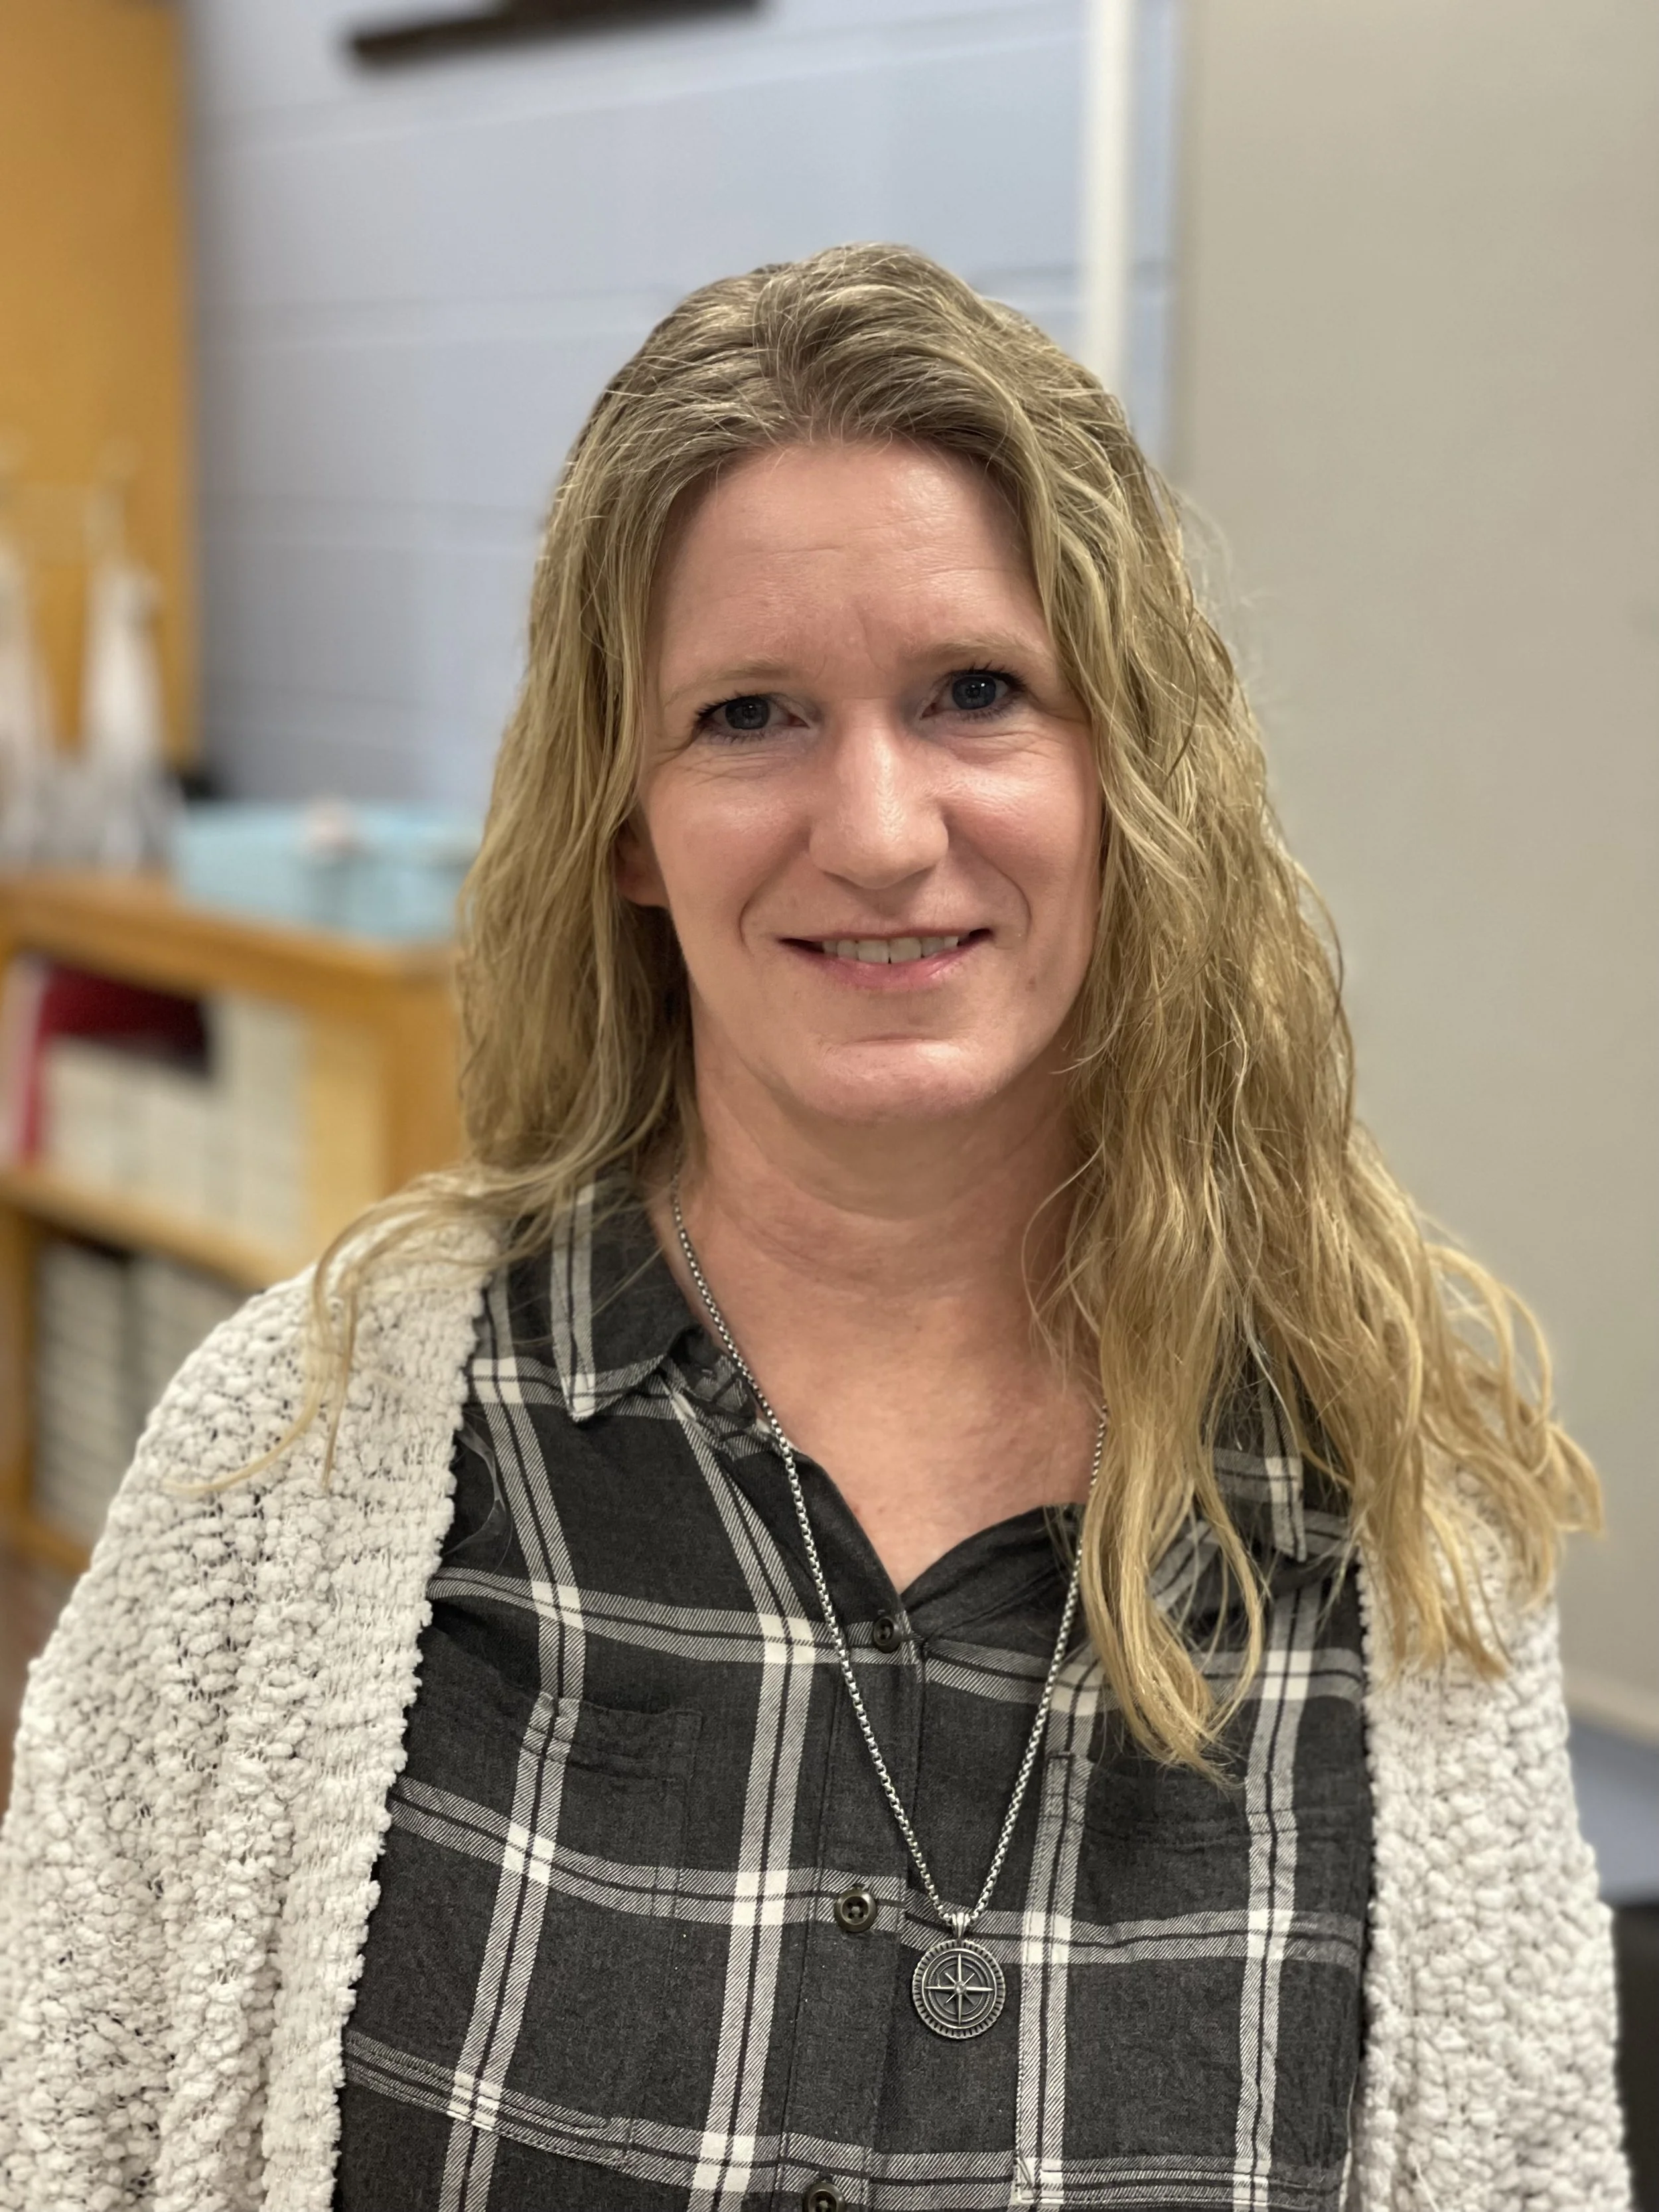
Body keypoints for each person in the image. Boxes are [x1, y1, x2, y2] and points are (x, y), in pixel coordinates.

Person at [0, 244, 1629, 2212]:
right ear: (624, 819)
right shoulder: (292, 1465)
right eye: (750, 713)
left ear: (1131, 768)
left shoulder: (1391, 1513)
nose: (875, 830)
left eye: (975, 694)